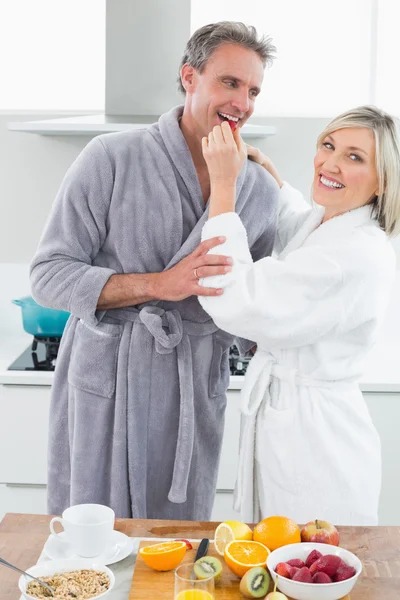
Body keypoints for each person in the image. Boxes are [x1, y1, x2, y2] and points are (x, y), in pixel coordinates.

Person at [30, 22, 279, 519]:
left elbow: (258, 302)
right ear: (190, 77)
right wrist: (159, 286)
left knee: (176, 555)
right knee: (91, 552)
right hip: (109, 380)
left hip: (190, 387)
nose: (243, 102)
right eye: (229, 83)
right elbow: (47, 275)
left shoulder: (257, 191)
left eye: (253, 90)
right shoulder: (111, 158)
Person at [198, 106, 400, 525]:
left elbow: (238, 299)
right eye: (328, 146)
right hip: (296, 426)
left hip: (318, 447)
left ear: (383, 182)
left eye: (355, 157)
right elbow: (295, 228)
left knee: (311, 575)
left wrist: (223, 185)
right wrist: (270, 172)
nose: (331, 163)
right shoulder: (336, 226)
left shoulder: (352, 256)